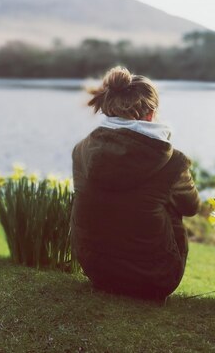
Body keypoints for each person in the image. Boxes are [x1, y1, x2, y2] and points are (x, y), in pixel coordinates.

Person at [71, 66, 201, 302]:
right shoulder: (174, 161)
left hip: (97, 272)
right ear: (151, 113)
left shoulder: (81, 150)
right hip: (154, 279)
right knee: (169, 202)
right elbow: (191, 207)